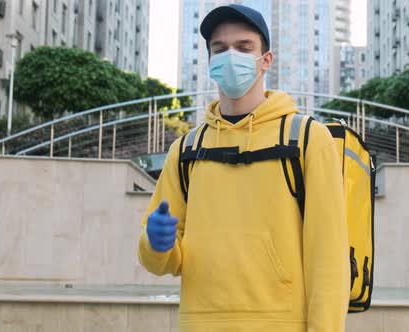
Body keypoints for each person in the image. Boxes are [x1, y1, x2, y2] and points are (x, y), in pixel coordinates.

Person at [138, 4, 349, 331]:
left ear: (266, 60)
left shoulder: (308, 140)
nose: (230, 56)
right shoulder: (186, 150)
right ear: (210, 62)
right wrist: (156, 244)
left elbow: (329, 262)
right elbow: (163, 264)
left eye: (243, 47)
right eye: (219, 49)